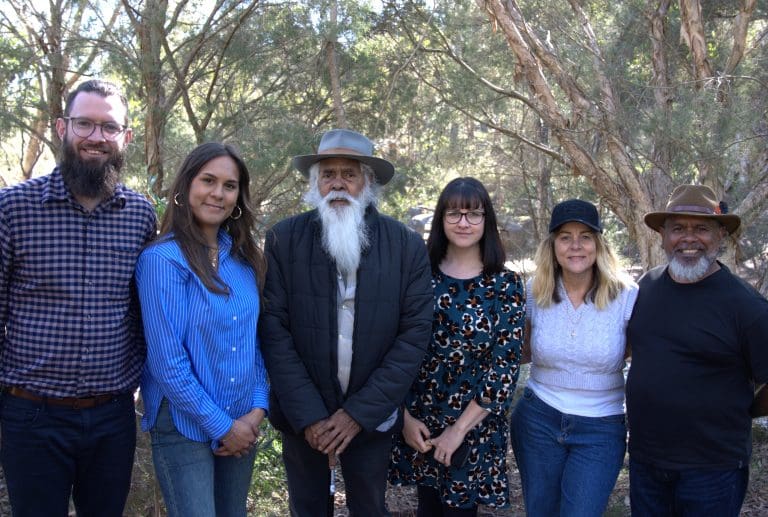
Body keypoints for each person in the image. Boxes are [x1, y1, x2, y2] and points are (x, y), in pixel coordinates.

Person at [0, 79, 157, 516]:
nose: (96, 137)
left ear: (125, 137)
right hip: (31, 415)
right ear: (61, 128)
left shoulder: (140, 215)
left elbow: (144, 313)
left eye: (109, 127)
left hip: (112, 418)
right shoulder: (12, 208)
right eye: (84, 124)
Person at [258, 128, 433, 516]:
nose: (338, 183)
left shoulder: (405, 246)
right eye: (328, 173)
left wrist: (357, 415)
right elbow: (273, 329)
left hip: (371, 416)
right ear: (315, 183)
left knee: (369, 508)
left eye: (349, 174)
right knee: (307, 508)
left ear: (367, 183)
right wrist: (311, 417)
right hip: (303, 416)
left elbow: (414, 335)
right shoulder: (284, 239)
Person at [135, 142, 268, 517]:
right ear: (185, 187)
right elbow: (167, 362)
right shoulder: (162, 261)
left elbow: (254, 343)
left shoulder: (244, 260)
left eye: (229, 185)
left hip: (242, 422)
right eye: (208, 180)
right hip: (184, 424)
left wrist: (257, 409)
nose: (218, 193)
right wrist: (222, 426)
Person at [626, 184, 768, 516]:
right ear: (663, 235)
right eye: (678, 229)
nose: (689, 238)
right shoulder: (645, 288)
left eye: (701, 228)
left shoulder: (746, 307)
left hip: (713, 469)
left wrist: (737, 409)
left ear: (721, 235)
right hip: (647, 463)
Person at [388, 177, 526, 516]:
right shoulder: (418, 276)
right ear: (441, 220)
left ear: (486, 221)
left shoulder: (505, 285)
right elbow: (392, 346)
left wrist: (458, 431)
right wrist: (403, 418)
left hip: (473, 426)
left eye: (474, 214)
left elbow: (504, 369)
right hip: (420, 422)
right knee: (428, 509)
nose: (464, 222)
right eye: (454, 214)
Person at [510, 199, 638, 516]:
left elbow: (642, 354)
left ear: (599, 244)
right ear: (552, 245)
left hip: (601, 427)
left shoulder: (627, 296)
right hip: (538, 419)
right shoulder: (533, 292)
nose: (576, 246)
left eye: (585, 236)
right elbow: (520, 351)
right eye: (565, 236)